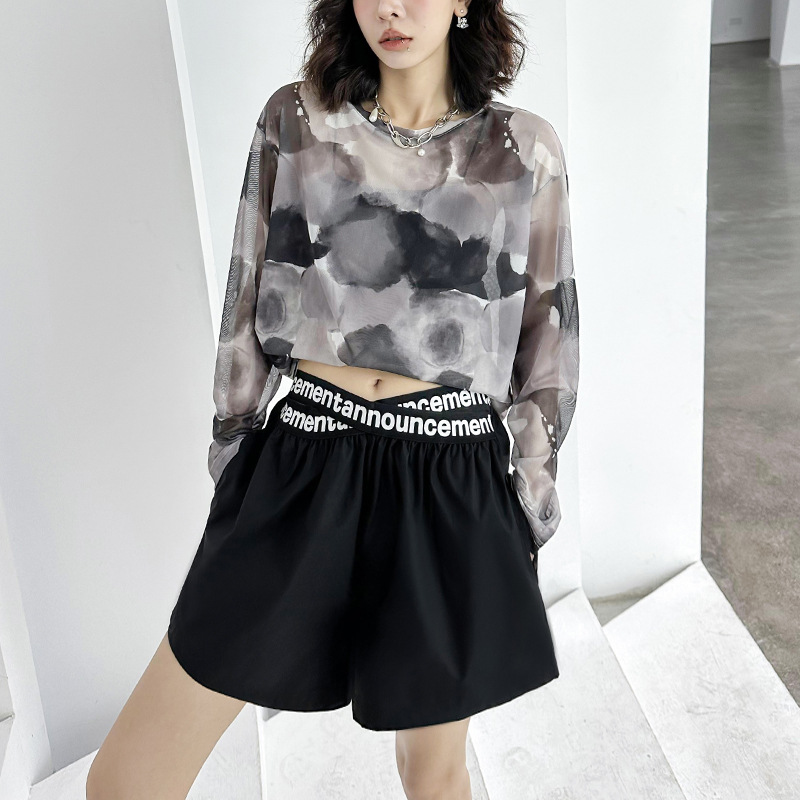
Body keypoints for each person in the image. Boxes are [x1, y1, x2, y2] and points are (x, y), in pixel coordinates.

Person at [86, 0, 579, 798]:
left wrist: (524, 504)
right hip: (303, 462)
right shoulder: (296, 121)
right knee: (127, 780)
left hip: (451, 481)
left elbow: (549, 341)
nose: (391, 7)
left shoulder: (524, 149)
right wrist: (238, 458)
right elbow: (245, 294)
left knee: (434, 776)